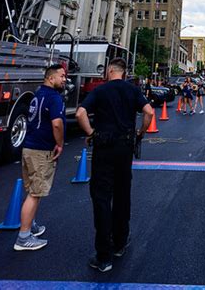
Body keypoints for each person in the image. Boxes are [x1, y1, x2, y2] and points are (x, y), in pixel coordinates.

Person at [76, 58, 153, 272]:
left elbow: (80, 113)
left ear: (110, 71)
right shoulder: (132, 90)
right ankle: (119, 243)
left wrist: (91, 133)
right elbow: (149, 112)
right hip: (125, 147)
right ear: (124, 72)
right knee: (122, 194)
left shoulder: (101, 91)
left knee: (101, 197)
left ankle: (103, 256)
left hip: (104, 146)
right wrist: (141, 133)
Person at [14, 63, 67, 251]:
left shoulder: (38, 94)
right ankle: (23, 237)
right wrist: (59, 144)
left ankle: (31, 225)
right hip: (41, 150)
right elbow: (57, 124)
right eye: (61, 76)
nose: (64, 79)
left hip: (29, 147)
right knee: (36, 193)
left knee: (32, 190)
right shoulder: (54, 98)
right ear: (50, 78)